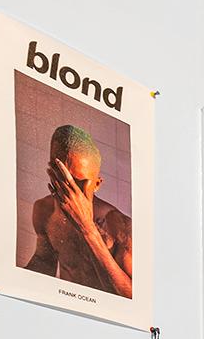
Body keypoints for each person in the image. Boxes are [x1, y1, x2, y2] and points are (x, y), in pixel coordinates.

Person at [23, 124, 134, 297]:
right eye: (63, 178)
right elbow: (44, 262)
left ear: (97, 184)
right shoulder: (44, 210)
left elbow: (133, 298)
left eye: (79, 183)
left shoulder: (118, 226)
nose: (70, 190)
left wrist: (87, 229)